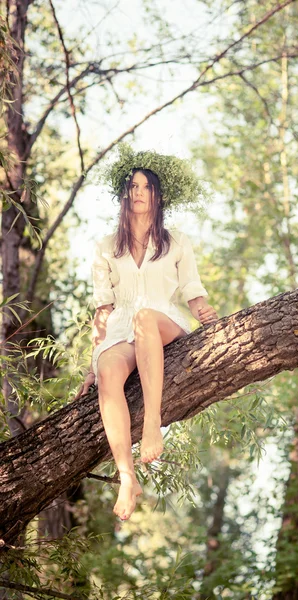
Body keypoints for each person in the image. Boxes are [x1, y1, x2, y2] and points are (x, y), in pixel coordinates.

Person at [75, 146, 218, 521]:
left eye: (145, 186)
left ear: (158, 196)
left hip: (162, 320)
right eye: (131, 187)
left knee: (144, 318)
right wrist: (91, 365)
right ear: (125, 196)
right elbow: (103, 311)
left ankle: (152, 425)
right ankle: (126, 474)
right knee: (108, 369)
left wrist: (207, 315)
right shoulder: (106, 247)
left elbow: (193, 291)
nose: (137, 192)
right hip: (121, 327)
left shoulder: (176, 242)